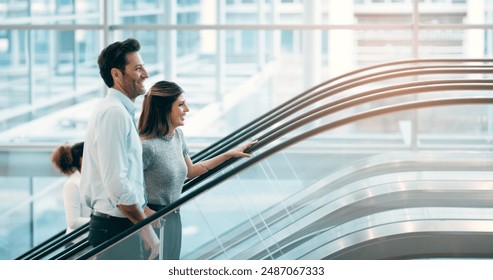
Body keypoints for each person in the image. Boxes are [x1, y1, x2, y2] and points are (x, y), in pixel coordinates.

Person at [138, 80, 257, 259]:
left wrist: (229, 155)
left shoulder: (177, 136)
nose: (187, 109)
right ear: (164, 109)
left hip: (173, 217)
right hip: (153, 221)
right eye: (180, 104)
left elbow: (191, 170)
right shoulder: (147, 147)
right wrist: (146, 212)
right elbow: (124, 185)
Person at [79, 38, 159, 260]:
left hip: (119, 224)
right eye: (138, 68)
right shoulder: (114, 113)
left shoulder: (119, 112)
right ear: (116, 74)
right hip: (115, 227)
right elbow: (117, 184)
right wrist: (146, 227)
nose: (146, 73)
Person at [50, 142, 91, 240]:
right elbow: (73, 222)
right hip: (77, 244)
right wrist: (100, 219)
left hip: (86, 241)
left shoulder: (86, 180)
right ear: (82, 159)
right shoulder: (72, 184)